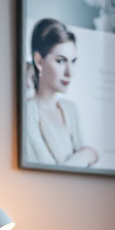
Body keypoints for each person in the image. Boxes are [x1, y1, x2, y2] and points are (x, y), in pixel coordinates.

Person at [23, 18, 99, 168]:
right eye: (61, 61)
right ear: (39, 61)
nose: (70, 72)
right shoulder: (28, 112)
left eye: (73, 61)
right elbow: (49, 173)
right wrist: (87, 154)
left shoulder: (70, 110)